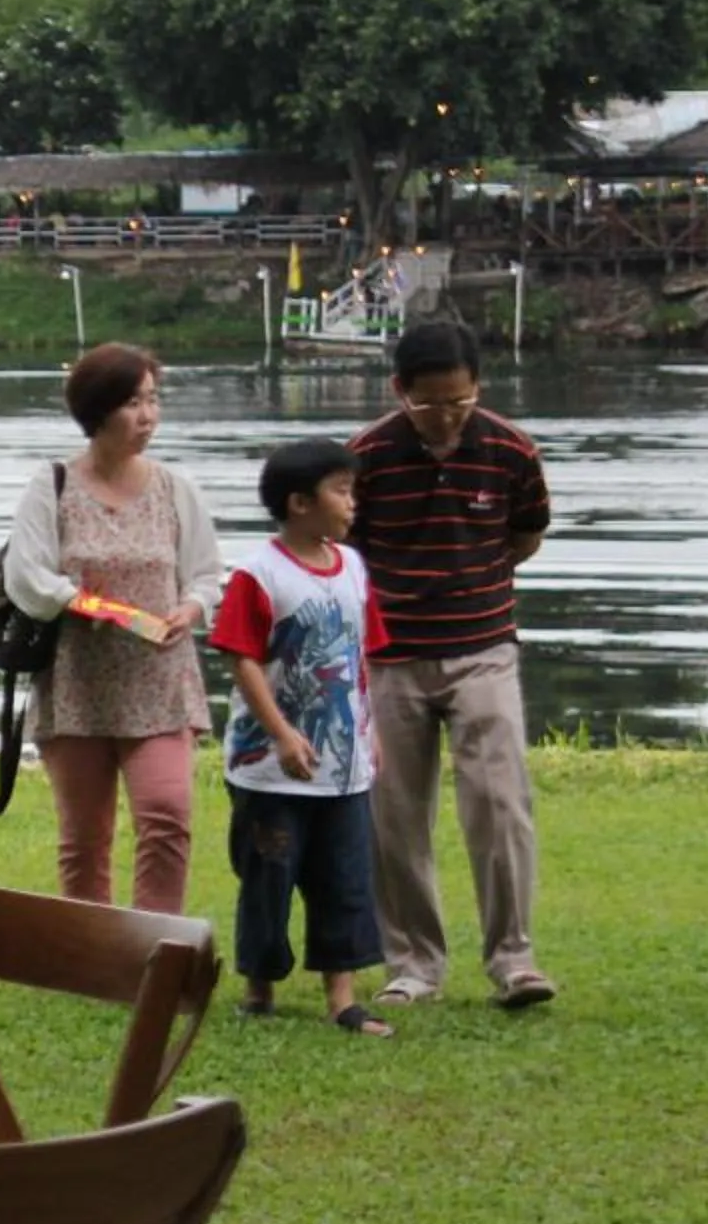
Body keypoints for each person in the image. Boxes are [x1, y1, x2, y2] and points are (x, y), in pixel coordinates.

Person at [347, 320, 557, 1010]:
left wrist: (469, 580)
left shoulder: (510, 450)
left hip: (483, 647)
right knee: (394, 814)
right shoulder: (366, 458)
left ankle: (514, 959)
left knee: (499, 801)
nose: (445, 417)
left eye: (459, 402)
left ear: (478, 389)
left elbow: (523, 537)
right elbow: (343, 555)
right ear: (399, 390)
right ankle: (413, 965)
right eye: (430, 403)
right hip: (390, 655)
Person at [3, 343, 223, 912]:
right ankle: (91, 951)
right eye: (132, 402)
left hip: (160, 679)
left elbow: (205, 574)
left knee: (167, 818)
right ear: (97, 412)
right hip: (78, 682)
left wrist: (192, 608)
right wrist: (86, 605)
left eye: (153, 400)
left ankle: (156, 951)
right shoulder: (51, 486)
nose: (148, 416)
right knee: (84, 838)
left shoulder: (177, 488)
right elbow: (25, 576)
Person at [208, 439, 392, 1034]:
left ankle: (343, 998)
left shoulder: (355, 568)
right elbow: (242, 660)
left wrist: (372, 733)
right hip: (271, 769)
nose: (352, 503)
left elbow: (363, 659)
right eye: (341, 490)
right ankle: (259, 986)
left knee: (346, 878)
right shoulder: (258, 575)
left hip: (343, 765)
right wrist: (282, 734)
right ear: (298, 503)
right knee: (269, 874)